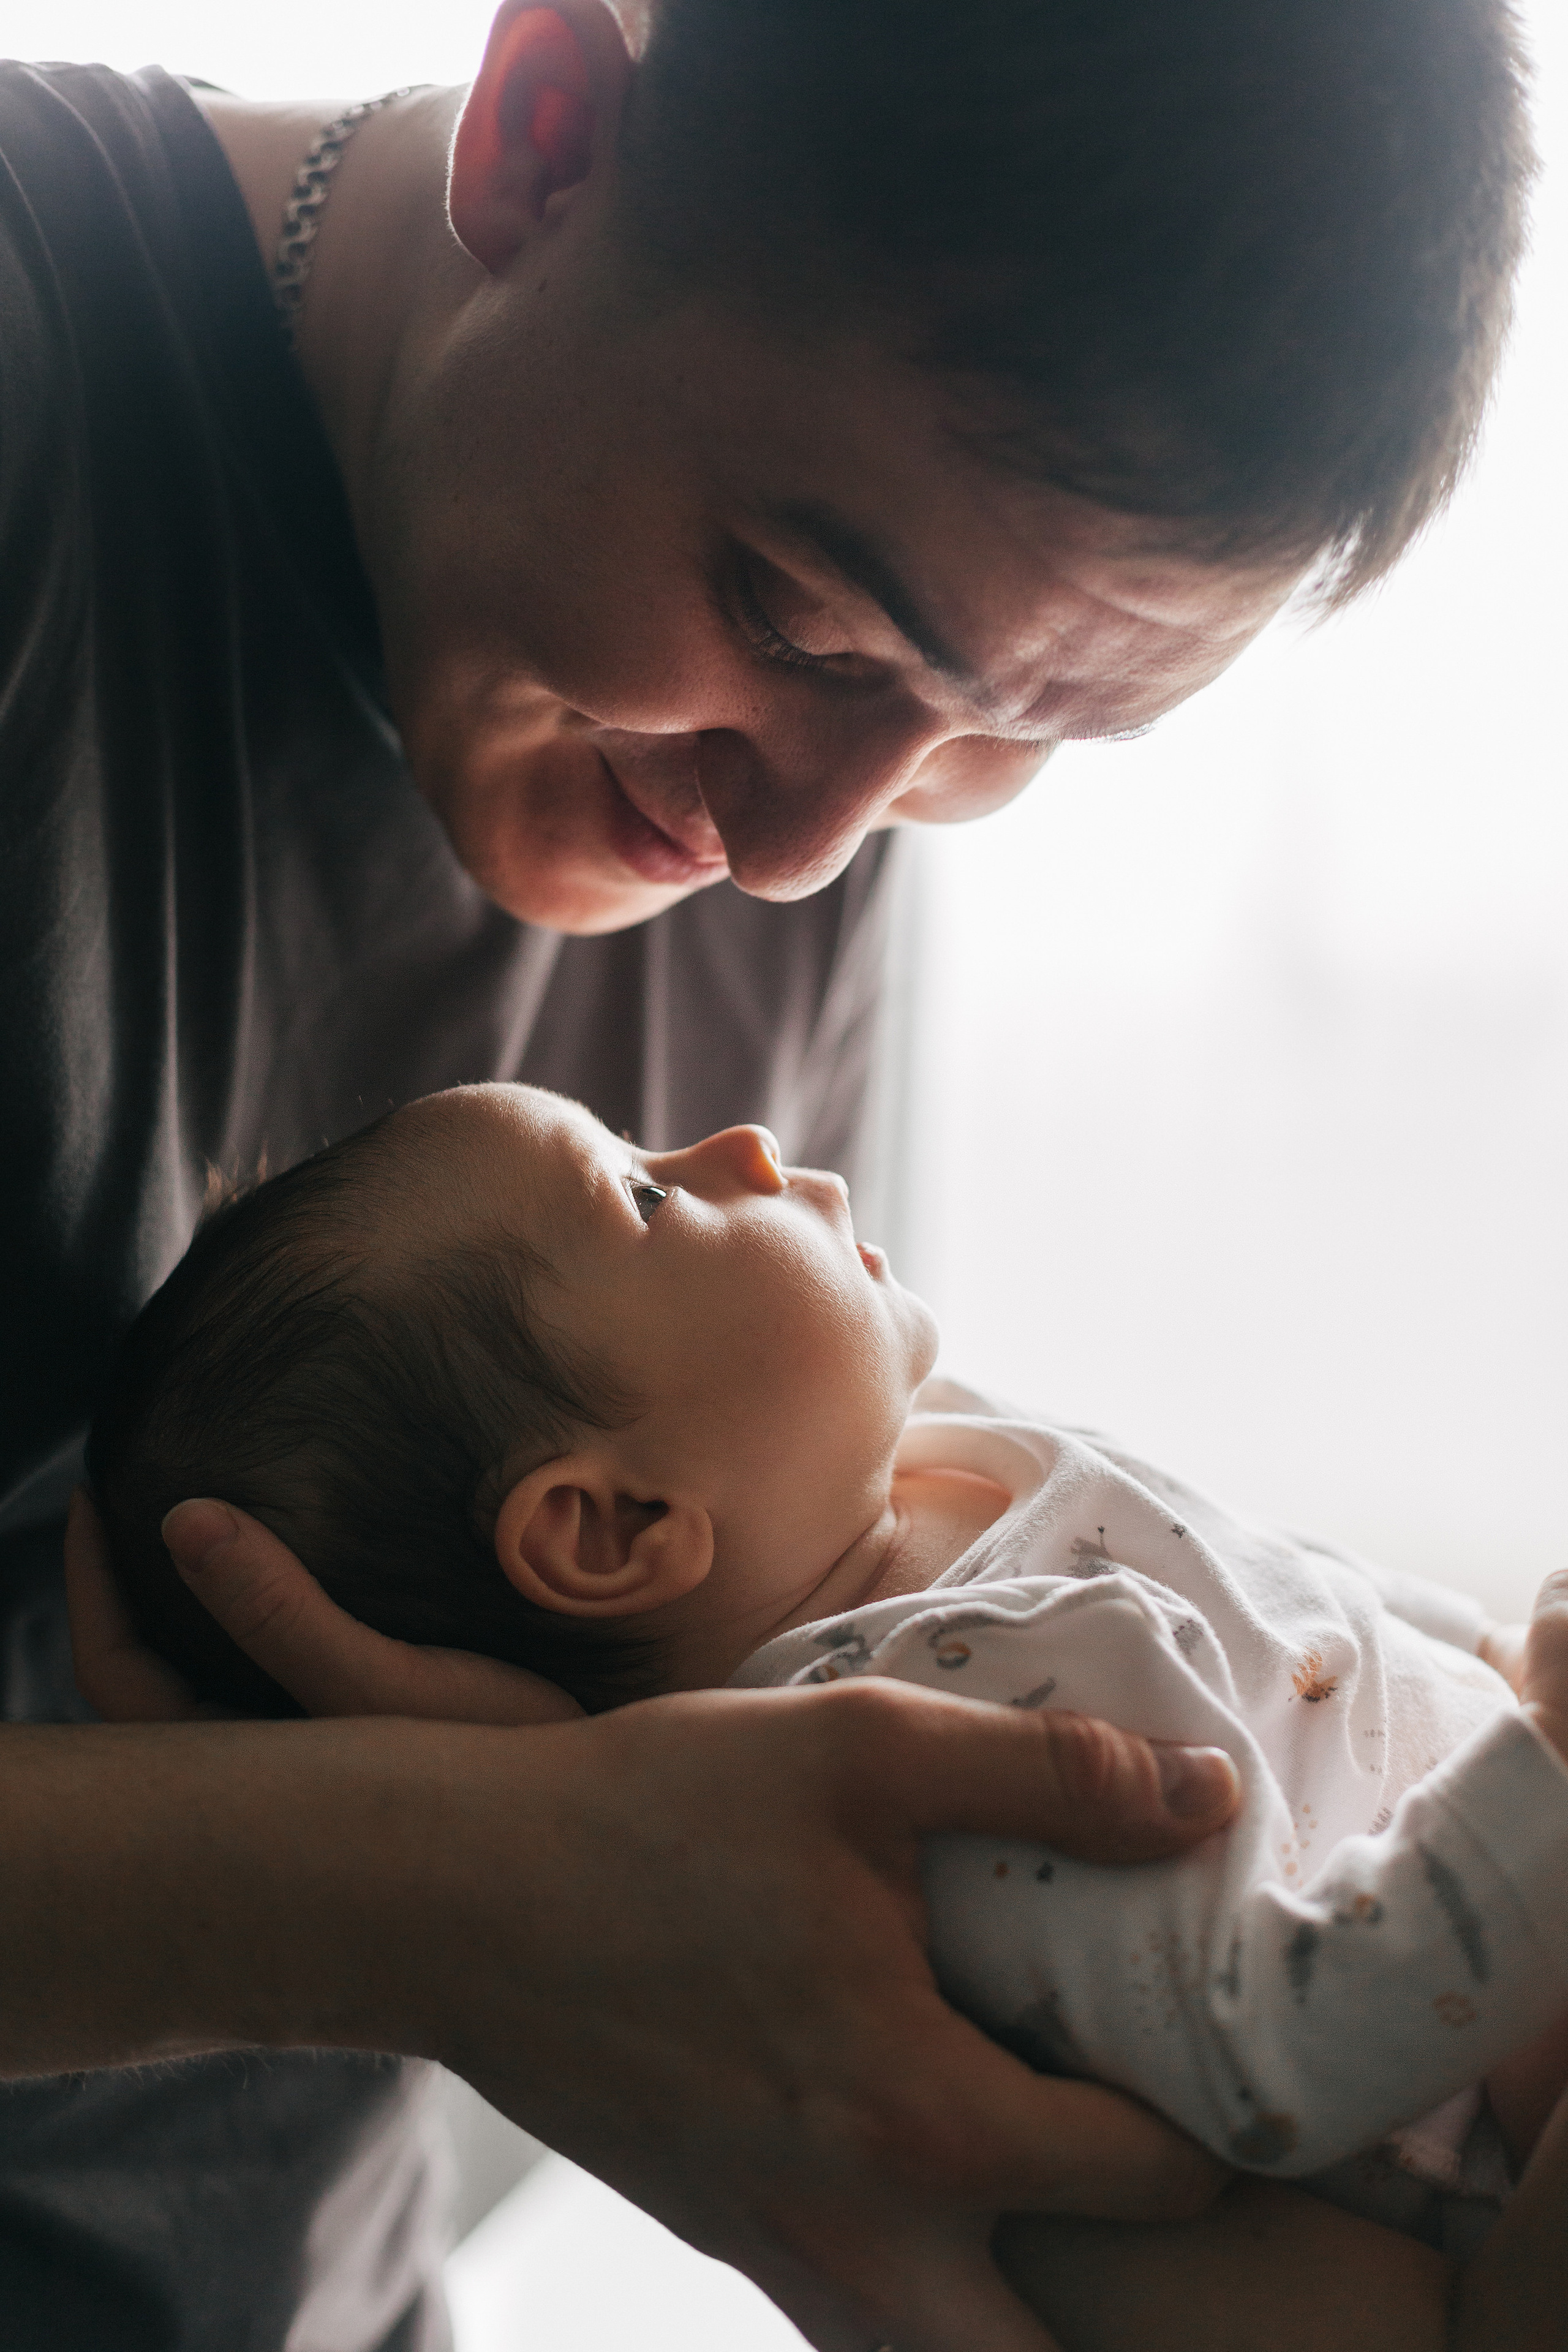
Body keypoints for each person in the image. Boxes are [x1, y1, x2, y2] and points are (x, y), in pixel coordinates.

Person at [0, 1, 1536, 2345]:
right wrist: (468, 1894)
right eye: (802, 618)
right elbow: (559, 1892)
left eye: (1022, 733)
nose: (807, 850)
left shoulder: (796, 782)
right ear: (543, 133)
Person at [84, 1085, 1568, 2218]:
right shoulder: (928, 1755)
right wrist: (1541, 1767)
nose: (732, 1142)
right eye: (648, 1198)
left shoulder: (949, 1462)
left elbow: (1301, 1617)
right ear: (611, 1528)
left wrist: (1492, 1657)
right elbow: (1279, 2054)